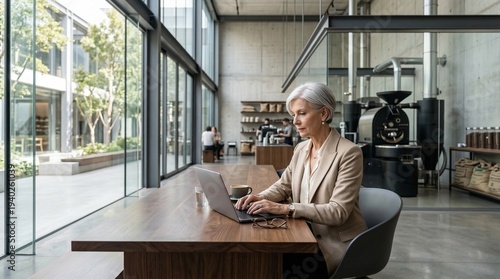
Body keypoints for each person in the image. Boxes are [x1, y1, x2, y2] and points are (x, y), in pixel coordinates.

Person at [235, 82, 367, 277]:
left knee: (276, 265)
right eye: (293, 115)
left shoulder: (349, 153)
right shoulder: (301, 149)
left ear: (323, 114)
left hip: (333, 242)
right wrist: (259, 197)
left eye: (302, 113)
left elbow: (338, 212)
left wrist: (286, 208)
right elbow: (283, 186)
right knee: (257, 258)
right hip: (303, 233)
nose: (295, 121)